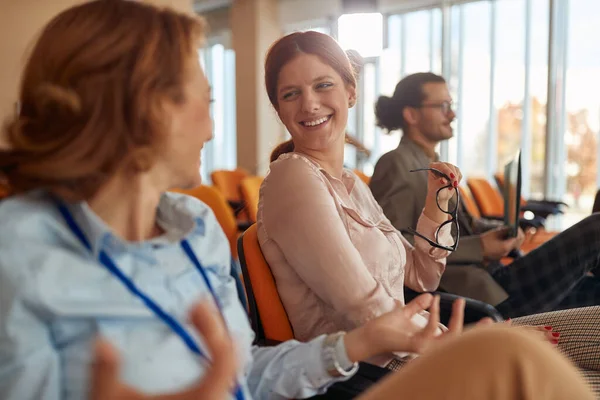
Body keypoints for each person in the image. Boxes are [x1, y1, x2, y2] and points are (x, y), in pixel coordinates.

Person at [2, 2, 593, 400]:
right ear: (140, 106)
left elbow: (250, 372)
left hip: (380, 348)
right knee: (522, 360)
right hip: (370, 372)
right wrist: (390, 339)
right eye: (203, 101)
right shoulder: (18, 253)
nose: (213, 129)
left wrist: (436, 209)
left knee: (561, 340)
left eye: (323, 86)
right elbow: (371, 304)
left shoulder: (193, 231)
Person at [257, 31, 600, 393]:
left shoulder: (350, 183)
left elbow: (422, 276)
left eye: (322, 85)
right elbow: (363, 308)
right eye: (291, 94)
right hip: (382, 371)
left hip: (419, 347)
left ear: (350, 92)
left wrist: (438, 204)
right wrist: (474, 341)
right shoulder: (293, 177)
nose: (309, 104)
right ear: (278, 108)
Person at [369, 72, 600, 317]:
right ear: (411, 114)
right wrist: (479, 247)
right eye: (443, 106)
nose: (452, 114)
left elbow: (462, 226)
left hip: (492, 279)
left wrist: (495, 230)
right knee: (596, 229)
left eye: (452, 105)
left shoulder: (430, 162)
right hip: (480, 298)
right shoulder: (396, 164)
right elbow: (393, 248)